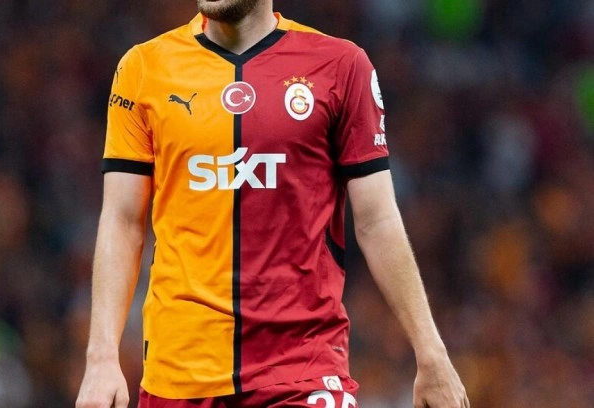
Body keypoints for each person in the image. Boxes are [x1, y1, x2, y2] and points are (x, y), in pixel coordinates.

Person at [77, 0, 469, 407]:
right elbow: (122, 221)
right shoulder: (144, 68)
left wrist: (431, 352)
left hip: (302, 370)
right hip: (178, 376)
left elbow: (377, 220)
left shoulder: (340, 65)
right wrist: (101, 358)